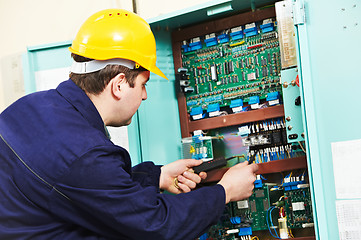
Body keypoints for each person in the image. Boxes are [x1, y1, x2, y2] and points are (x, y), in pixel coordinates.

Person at [0, 9, 258, 240]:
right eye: (143, 84)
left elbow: (81, 187)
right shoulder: (85, 152)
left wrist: (156, 176)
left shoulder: (29, 106)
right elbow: (157, 225)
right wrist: (225, 191)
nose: (145, 96)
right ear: (119, 84)